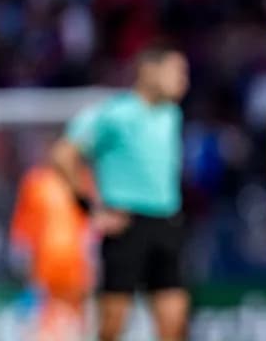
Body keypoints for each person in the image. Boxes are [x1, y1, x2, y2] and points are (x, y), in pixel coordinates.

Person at [51, 44, 190, 341]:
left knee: (174, 320)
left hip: (166, 222)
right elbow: (63, 155)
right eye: (176, 71)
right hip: (125, 223)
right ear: (149, 71)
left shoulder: (172, 114)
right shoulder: (114, 114)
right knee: (113, 324)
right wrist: (90, 208)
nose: (183, 80)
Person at [10, 162, 95, 340]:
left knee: (74, 319)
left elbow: (91, 226)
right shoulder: (35, 182)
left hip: (75, 265)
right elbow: (24, 226)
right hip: (47, 264)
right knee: (49, 318)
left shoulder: (83, 180)